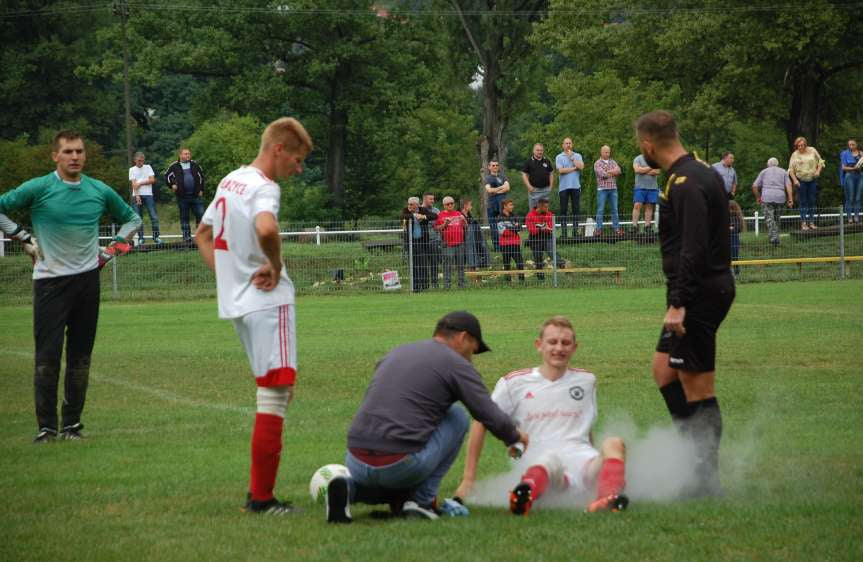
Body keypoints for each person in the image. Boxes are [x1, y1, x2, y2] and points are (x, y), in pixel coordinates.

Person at [194, 117, 312, 515]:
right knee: (276, 394)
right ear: (278, 149)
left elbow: (202, 235)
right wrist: (275, 266)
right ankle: (261, 498)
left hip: (241, 304)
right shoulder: (264, 187)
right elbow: (265, 229)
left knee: (276, 390)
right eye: (297, 160)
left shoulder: (231, 180)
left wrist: (231, 278)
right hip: (268, 302)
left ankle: (260, 496)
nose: (298, 169)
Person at [0, 130, 141, 442]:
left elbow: (133, 220)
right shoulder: (38, 188)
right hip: (49, 283)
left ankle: (72, 427)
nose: (74, 157)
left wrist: (111, 250)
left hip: (87, 283)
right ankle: (47, 428)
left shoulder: (99, 190)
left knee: (80, 359)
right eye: (68, 152)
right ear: (55, 156)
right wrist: (23, 238)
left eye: (79, 151)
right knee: (47, 359)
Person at [326, 311, 528, 523]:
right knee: (457, 416)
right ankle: (420, 502)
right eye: (473, 350)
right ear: (463, 338)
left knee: (387, 481)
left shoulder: (397, 352)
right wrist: (514, 437)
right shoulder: (456, 363)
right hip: (399, 463)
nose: (471, 358)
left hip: (355, 461)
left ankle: (348, 489)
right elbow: (486, 412)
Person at [635, 110, 735, 497]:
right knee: (664, 370)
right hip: (698, 289)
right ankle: (690, 456)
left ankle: (704, 478)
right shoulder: (693, 173)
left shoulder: (688, 181)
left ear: (648, 145)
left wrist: (679, 303)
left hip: (699, 293)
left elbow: (693, 246)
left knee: (698, 386)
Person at [454, 316, 629, 515]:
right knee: (549, 460)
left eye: (565, 343)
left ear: (574, 347)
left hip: (583, 464)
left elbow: (584, 425)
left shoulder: (587, 381)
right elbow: (480, 420)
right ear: (539, 345)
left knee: (615, 443)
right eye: (552, 342)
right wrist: (469, 479)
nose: (559, 348)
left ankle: (608, 498)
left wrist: (599, 464)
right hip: (542, 465)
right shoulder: (514, 383)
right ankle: (523, 497)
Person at [165, 147, 206, 242]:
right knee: (184, 217)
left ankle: (201, 236)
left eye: (188, 154)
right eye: (185, 154)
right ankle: (187, 238)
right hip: (182, 197)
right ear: (180, 155)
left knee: (201, 215)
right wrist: (172, 185)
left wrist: (201, 189)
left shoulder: (195, 164)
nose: (188, 155)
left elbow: (202, 177)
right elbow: (167, 176)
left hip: (196, 195)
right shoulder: (174, 166)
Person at [752, 157, 793, 246]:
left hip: (767, 197)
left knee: (769, 219)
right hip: (780, 197)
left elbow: (754, 186)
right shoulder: (783, 172)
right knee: (777, 219)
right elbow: (788, 185)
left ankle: (774, 238)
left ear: (768, 164)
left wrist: (758, 197)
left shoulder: (764, 172)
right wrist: (790, 199)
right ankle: (775, 239)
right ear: (777, 164)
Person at [788, 137, 824, 231]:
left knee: (812, 200)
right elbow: (790, 170)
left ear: (805, 144)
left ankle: (811, 222)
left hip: (812, 178)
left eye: (802, 145)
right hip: (801, 180)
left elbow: (820, 161)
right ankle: (803, 223)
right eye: (798, 146)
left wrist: (818, 171)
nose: (800, 147)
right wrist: (795, 180)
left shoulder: (812, 150)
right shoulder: (794, 155)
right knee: (803, 201)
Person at [525, 198, 564, 280]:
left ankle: (562, 264)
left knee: (551, 251)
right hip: (535, 239)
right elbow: (531, 230)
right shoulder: (530, 215)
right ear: (539, 206)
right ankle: (541, 278)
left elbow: (550, 227)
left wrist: (541, 227)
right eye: (545, 207)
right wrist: (542, 228)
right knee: (538, 257)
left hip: (547, 237)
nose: (547, 209)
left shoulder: (549, 214)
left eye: (547, 207)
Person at [128, 151, 162, 245]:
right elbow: (134, 184)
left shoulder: (148, 167)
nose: (141, 163)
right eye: (139, 161)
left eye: (142, 161)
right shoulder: (132, 169)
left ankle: (156, 237)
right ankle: (141, 238)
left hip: (148, 195)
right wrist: (138, 195)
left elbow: (152, 180)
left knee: (154, 216)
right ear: (135, 160)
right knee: (138, 218)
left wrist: (140, 183)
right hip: (136, 195)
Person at [435, 196, 467, 289]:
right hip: (448, 244)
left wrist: (464, 220)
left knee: (461, 265)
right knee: (447, 266)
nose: (450, 205)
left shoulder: (458, 213)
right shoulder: (440, 215)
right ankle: (447, 285)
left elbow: (466, 227)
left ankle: (461, 285)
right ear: (444, 205)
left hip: (460, 243)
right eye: (447, 204)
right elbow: (437, 228)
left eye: (451, 203)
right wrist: (445, 223)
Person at [555, 138, 584, 238]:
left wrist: (572, 158)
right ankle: (564, 233)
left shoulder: (577, 155)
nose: (568, 145)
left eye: (569, 143)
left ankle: (575, 232)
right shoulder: (559, 157)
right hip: (563, 187)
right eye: (566, 143)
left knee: (576, 209)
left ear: (572, 144)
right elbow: (561, 170)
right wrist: (573, 168)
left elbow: (581, 167)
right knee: (563, 210)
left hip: (575, 186)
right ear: (562, 145)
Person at [400, 196, 429, 291]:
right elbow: (403, 216)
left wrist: (423, 216)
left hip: (421, 242)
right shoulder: (406, 210)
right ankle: (415, 286)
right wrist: (415, 216)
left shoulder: (423, 209)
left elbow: (434, 216)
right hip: (410, 242)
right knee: (413, 265)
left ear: (417, 205)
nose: (409, 206)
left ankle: (424, 286)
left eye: (411, 204)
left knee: (422, 264)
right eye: (408, 204)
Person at [593, 145, 623, 236]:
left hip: (613, 188)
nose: (607, 153)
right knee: (600, 210)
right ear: (601, 152)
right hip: (602, 189)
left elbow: (619, 171)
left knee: (614, 209)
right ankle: (599, 230)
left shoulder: (613, 161)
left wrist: (608, 171)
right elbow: (602, 174)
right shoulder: (597, 163)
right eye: (605, 152)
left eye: (608, 152)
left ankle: (616, 229)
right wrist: (612, 172)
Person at [496, 199, 525, 283]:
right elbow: (503, 232)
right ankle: (508, 282)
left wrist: (510, 228)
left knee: (520, 263)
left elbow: (520, 228)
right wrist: (514, 228)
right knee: (506, 264)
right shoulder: (499, 217)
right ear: (505, 206)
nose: (512, 206)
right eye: (510, 205)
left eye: (512, 205)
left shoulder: (514, 216)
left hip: (515, 243)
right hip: (505, 244)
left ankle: (522, 281)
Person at [632, 153, 661, 234]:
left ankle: (647, 226)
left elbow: (657, 171)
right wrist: (651, 168)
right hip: (640, 187)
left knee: (649, 207)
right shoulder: (637, 158)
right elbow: (637, 170)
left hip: (652, 188)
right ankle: (634, 226)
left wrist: (643, 170)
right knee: (637, 205)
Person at [484, 161, 510, 250]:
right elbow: (489, 190)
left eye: (496, 165)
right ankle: (497, 247)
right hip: (492, 204)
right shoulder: (487, 178)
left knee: (504, 224)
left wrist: (495, 191)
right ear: (489, 167)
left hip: (503, 204)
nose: (495, 167)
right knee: (493, 226)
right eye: (493, 165)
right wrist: (501, 187)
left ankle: (506, 245)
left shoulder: (503, 176)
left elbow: (507, 187)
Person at [521, 143, 554, 210]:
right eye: (538, 150)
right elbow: (524, 175)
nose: (540, 152)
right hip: (534, 190)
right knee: (534, 211)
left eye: (541, 150)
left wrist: (550, 186)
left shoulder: (547, 161)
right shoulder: (528, 161)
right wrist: (529, 186)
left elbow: (551, 173)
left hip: (545, 190)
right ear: (533, 151)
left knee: (544, 211)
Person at [461, 198, 490, 270]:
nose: (471, 207)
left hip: (474, 238)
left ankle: (477, 264)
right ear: (465, 205)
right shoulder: (460, 215)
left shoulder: (469, 215)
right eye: (470, 205)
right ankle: (470, 267)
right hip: (465, 238)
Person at [420, 192, 441, 288]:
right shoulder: (418, 210)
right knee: (422, 264)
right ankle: (424, 284)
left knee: (434, 263)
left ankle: (435, 284)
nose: (432, 201)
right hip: (422, 241)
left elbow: (438, 224)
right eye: (430, 199)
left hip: (434, 240)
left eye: (433, 199)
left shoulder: (436, 210)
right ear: (424, 199)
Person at [839, 138, 862, 224]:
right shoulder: (844, 154)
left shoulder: (861, 154)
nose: (851, 146)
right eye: (850, 145)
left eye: (853, 144)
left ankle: (856, 217)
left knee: (858, 198)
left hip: (860, 176)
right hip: (849, 175)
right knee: (850, 197)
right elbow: (843, 167)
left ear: (856, 145)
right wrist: (853, 168)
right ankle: (849, 217)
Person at [728, 200, 745, 276]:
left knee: (735, 256)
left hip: (734, 240)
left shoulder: (737, 218)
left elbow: (737, 228)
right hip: (725, 240)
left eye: (731, 208)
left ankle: (736, 273)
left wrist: (731, 228)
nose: (729, 210)